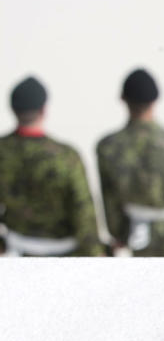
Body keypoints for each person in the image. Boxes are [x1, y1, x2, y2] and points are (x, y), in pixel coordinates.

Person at [96, 68, 164, 256]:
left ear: (123, 98)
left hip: (142, 242)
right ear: (156, 99)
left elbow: (109, 200)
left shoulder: (109, 147)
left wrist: (120, 234)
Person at [0, 76, 103, 256]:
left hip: (17, 254)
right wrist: (95, 256)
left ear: (13, 109)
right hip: (64, 259)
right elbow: (84, 214)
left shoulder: (3, 151)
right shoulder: (66, 156)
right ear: (43, 110)